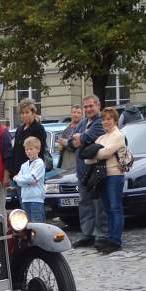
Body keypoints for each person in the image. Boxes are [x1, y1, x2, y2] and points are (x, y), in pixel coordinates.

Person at [69, 96, 107, 247]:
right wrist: (79, 139)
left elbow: (91, 136)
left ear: (98, 105)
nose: (88, 109)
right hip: (82, 170)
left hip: (96, 170)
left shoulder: (100, 122)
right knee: (84, 204)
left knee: (99, 205)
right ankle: (87, 234)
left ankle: (101, 235)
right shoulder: (84, 122)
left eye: (91, 106)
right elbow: (72, 142)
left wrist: (81, 138)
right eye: (86, 107)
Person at [88, 107, 128, 254]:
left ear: (115, 120)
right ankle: (110, 238)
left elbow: (105, 152)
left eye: (109, 119)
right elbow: (87, 157)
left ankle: (116, 240)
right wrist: (95, 154)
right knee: (108, 209)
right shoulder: (102, 137)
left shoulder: (118, 135)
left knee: (115, 208)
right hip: (103, 175)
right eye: (103, 119)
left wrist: (94, 154)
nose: (106, 122)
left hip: (115, 175)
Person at [11, 99, 48, 185]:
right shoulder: (19, 129)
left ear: (33, 113)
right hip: (19, 171)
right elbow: (16, 150)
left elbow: (40, 150)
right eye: (22, 113)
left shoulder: (38, 128)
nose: (24, 115)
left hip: (33, 170)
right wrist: (13, 171)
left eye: (27, 112)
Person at [13, 136, 47, 223]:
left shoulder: (39, 163)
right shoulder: (24, 165)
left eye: (31, 149)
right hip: (25, 199)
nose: (28, 151)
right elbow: (19, 182)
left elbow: (32, 178)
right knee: (28, 225)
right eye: (27, 149)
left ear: (38, 149)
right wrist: (24, 181)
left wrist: (20, 179)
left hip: (36, 199)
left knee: (37, 225)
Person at [56, 104, 83, 170]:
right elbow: (61, 146)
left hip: (76, 161)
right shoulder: (67, 128)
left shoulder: (83, 128)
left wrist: (65, 143)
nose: (76, 114)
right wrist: (59, 145)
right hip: (65, 161)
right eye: (74, 112)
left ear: (82, 115)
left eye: (78, 113)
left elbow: (78, 145)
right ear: (71, 114)